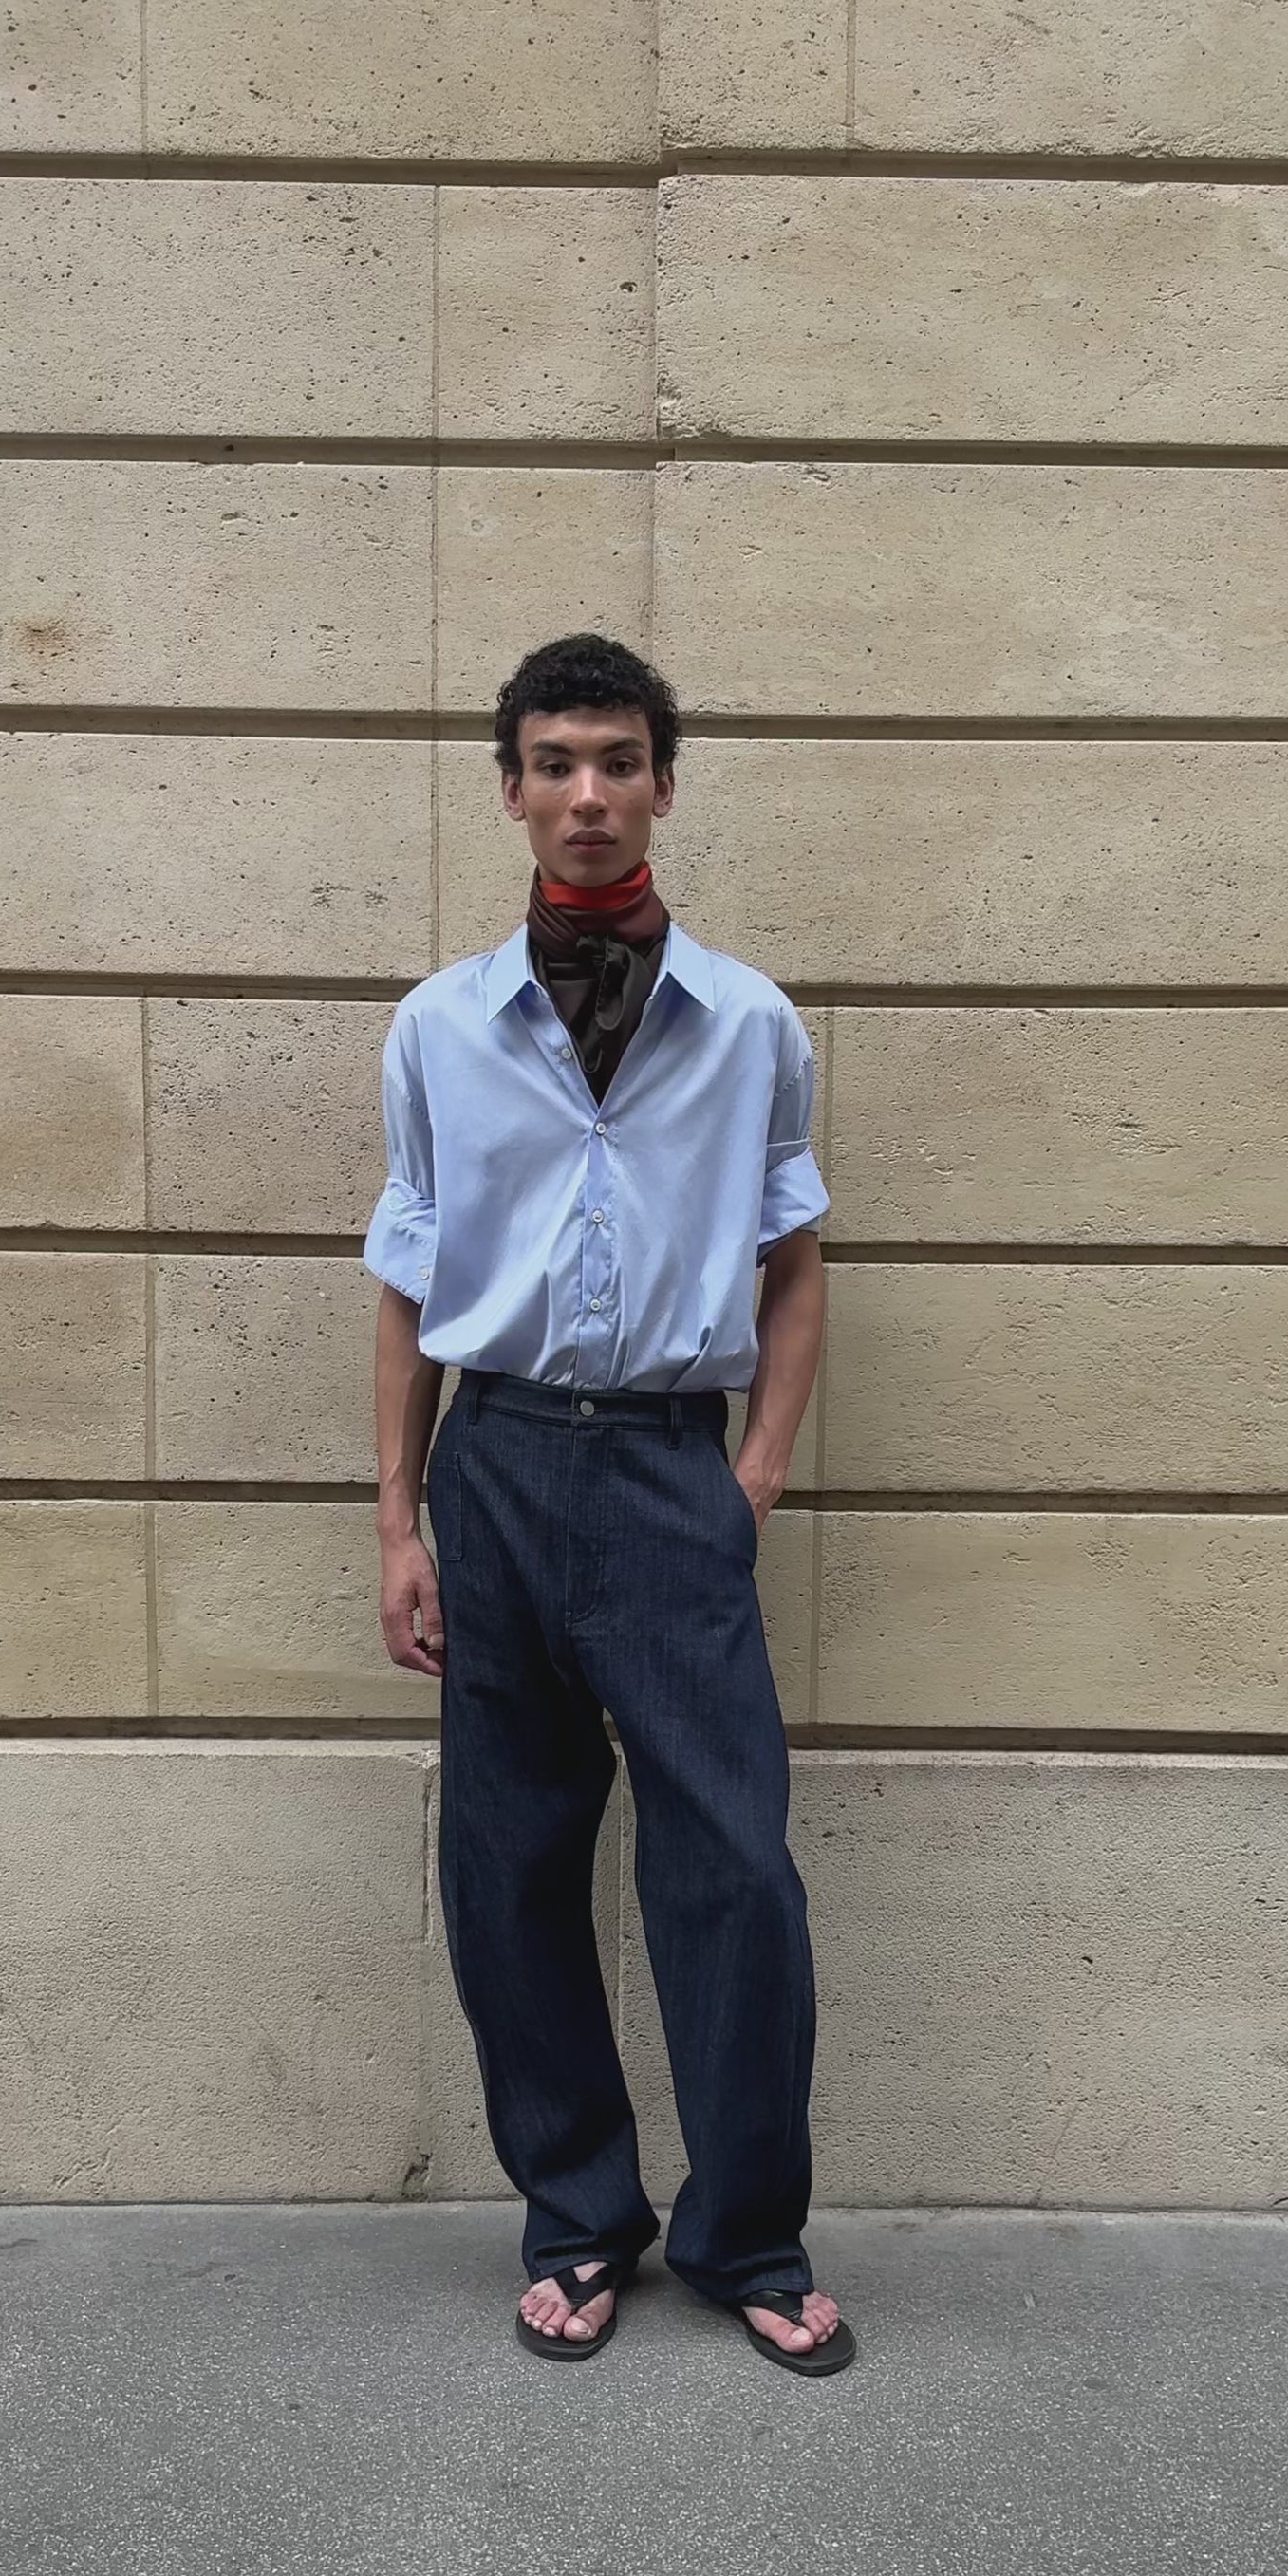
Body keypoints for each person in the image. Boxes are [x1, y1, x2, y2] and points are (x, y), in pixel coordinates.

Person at [364, 633, 853, 2377]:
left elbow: (795, 1271)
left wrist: (753, 1478)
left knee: (731, 1867)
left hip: (666, 1471)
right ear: (507, 786)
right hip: (493, 1464)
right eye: (554, 760)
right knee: (508, 1861)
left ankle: (746, 2234)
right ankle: (575, 2220)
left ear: (662, 782)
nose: (587, 792)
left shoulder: (751, 1026)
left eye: (619, 761)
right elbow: (410, 1290)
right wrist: (399, 1519)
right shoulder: (437, 1027)